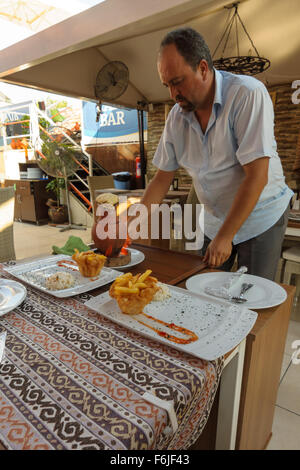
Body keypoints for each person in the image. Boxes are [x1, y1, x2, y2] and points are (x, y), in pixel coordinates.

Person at [137, 27, 293, 280]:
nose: (173, 94)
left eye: (177, 82)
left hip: (261, 214)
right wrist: (131, 224)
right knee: (203, 290)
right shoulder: (176, 117)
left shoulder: (246, 94)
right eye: (167, 85)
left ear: (202, 68)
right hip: (214, 218)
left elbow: (257, 176)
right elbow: (162, 178)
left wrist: (225, 237)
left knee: (250, 297)